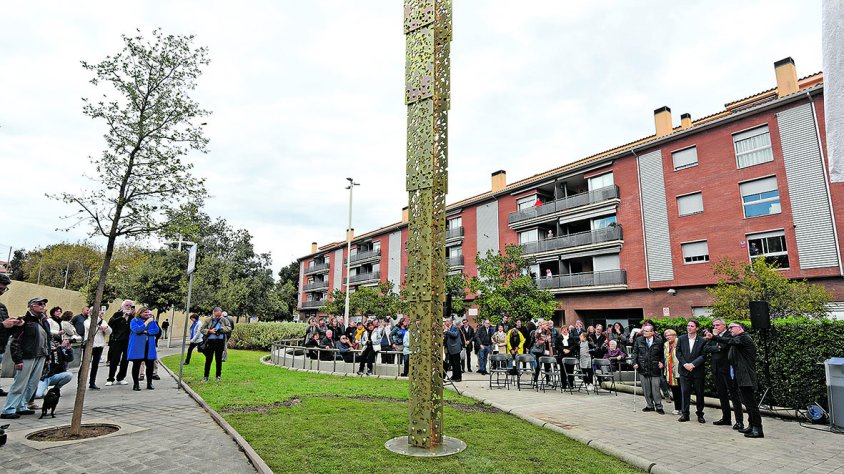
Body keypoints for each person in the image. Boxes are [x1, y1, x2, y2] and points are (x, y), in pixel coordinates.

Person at [705, 322, 764, 438]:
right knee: (747, 403)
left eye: (732, 327)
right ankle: (751, 426)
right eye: (730, 327)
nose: (730, 329)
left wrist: (714, 336)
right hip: (740, 376)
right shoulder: (737, 339)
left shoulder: (744, 338)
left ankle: (758, 429)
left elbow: (729, 342)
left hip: (746, 376)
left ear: (740, 328)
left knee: (751, 404)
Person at [1, 297, 50, 419]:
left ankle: (22, 406)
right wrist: (17, 359)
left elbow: (48, 339)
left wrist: (48, 356)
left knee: (32, 384)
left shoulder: (44, 321)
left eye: (43, 304)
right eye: (39, 303)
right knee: (20, 383)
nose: (42, 305)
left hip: (41, 356)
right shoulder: (24, 321)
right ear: (31, 306)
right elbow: (15, 341)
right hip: (27, 356)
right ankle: (9, 409)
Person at [706, 318, 744, 430]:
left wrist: (717, 343)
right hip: (716, 369)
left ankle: (739, 421)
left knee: (734, 395)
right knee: (722, 395)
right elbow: (706, 348)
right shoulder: (713, 335)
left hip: (728, 369)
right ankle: (726, 418)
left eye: (717, 325)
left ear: (724, 325)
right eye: (714, 325)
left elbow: (724, 347)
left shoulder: (729, 334)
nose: (715, 327)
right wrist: (716, 347)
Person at [677, 320, 707, 423]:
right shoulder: (681, 339)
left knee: (699, 393)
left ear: (697, 328)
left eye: (692, 326)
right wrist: (685, 364)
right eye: (688, 326)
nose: (689, 327)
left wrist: (693, 364)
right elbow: (678, 352)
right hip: (684, 371)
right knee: (685, 393)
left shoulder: (702, 341)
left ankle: (700, 414)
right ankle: (685, 414)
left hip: (697, 371)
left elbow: (703, 355)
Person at [632, 325, 665, 414]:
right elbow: (635, 353)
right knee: (646, 389)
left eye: (646, 331)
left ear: (652, 332)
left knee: (655, 389)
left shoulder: (659, 341)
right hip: (642, 367)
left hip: (655, 368)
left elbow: (662, 354)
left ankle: (659, 406)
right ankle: (649, 405)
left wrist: (662, 362)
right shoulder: (639, 340)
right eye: (643, 331)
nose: (644, 333)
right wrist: (634, 363)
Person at [128, 307, 160, 391]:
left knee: (150, 365)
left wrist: (147, 332)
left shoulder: (152, 321)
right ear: (140, 313)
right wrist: (146, 323)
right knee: (136, 365)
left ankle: (149, 383)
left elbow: (156, 330)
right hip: (138, 346)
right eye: (145, 312)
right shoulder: (134, 320)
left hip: (148, 346)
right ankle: (136, 384)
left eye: (148, 312)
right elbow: (137, 330)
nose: (147, 314)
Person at [106, 300, 134, 386]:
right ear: (122, 306)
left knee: (125, 360)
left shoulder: (132, 317)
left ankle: (121, 377)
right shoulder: (117, 314)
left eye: (130, 306)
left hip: (127, 341)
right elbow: (110, 323)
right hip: (117, 341)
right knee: (114, 360)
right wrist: (122, 317)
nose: (128, 307)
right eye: (126, 305)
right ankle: (110, 378)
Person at [0, 273, 20, 396]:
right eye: (0, 288)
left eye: (4, 289)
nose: (2, 292)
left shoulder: (2, 307)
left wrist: (15, 324)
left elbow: (6, 328)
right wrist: (2, 325)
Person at [201, 307, 231, 382]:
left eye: (219, 315)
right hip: (210, 342)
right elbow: (201, 329)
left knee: (218, 360)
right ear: (213, 313)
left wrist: (222, 329)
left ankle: (218, 376)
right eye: (216, 315)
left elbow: (229, 327)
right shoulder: (208, 320)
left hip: (220, 342)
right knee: (208, 360)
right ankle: (206, 377)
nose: (217, 317)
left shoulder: (224, 320)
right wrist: (209, 331)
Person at [87, 310, 111, 390]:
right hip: (89, 346)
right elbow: (91, 328)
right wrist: (98, 320)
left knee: (95, 365)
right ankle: (80, 382)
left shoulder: (103, 321)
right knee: (85, 365)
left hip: (99, 345)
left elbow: (109, 331)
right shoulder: (87, 321)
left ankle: (92, 382)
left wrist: (105, 328)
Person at [662, 329, 683, 415]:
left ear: (675, 335)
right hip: (670, 371)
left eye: (670, 335)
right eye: (666, 335)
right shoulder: (666, 344)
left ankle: (684, 408)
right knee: (675, 390)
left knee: (682, 390)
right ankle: (677, 408)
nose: (668, 337)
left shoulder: (680, 342)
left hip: (680, 369)